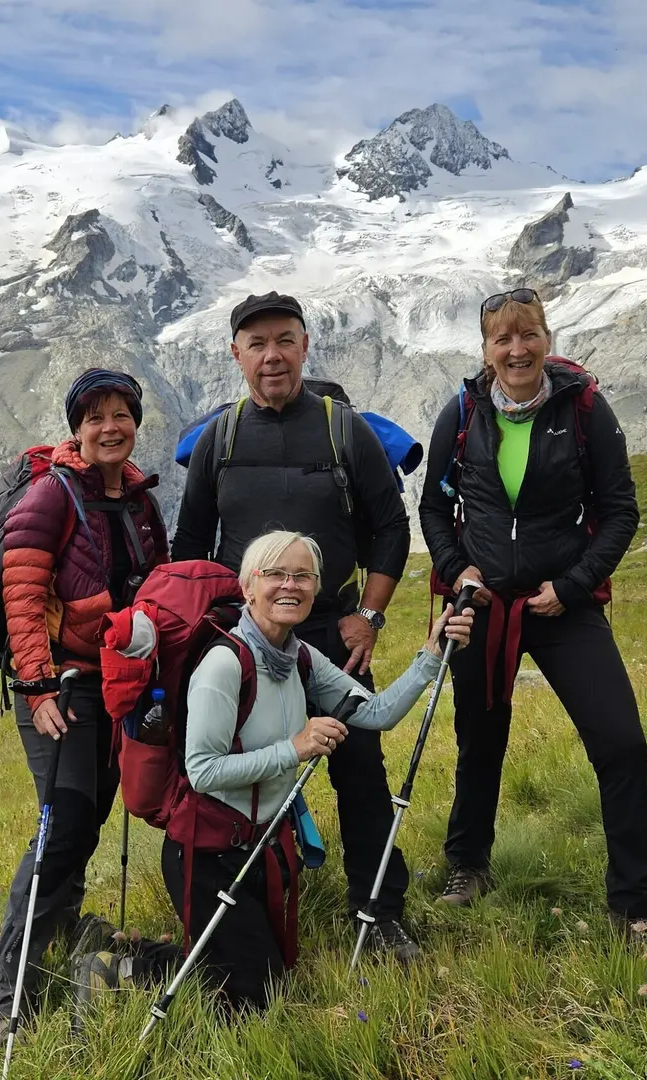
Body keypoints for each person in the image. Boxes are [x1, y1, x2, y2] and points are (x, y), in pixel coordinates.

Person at [418, 288, 647, 960]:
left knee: (620, 742)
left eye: (527, 334)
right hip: (484, 607)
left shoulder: (584, 408)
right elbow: (432, 509)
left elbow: (620, 509)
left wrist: (574, 584)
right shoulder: (463, 412)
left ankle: (637, 908)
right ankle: (469, 867)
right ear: (485, 349)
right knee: (479, 742)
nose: (517, 349)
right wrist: (458, 570)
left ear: (546, 337)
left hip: (564, 604)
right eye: (501, 338)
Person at [171, 291, 423, 960]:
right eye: (257, 344)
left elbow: (392, 527)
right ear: (236, 355)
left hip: (330, 631)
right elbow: (191, 541)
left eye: (284, 340)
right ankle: (244, 899)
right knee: (235, 770)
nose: (272, 355)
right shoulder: (220, 438)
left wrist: (368, 615)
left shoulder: (343, 428)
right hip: (239, 641)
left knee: (359, 768)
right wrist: (194, 640)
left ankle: (378, 912)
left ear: (305, 346)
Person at [171, 531, 471, 1011]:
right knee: (255, 997)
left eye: (303, 576)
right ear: (248, 587)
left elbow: (374, 714)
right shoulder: (224, 663)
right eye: (275, 574)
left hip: (261, 850)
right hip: (208, 854)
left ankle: (200, 954)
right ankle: (123, 962)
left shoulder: (299, 656)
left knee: (264, 981)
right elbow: (203, 771)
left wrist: (430, 656)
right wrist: (296, 747)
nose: (290, 585)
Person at [0, 369, 168, 1043]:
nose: (109, 427)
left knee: (83, 829)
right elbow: (21, 595)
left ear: (134, 422)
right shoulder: (49, 496)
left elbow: (159, 592)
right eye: (95, 418)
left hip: (119, 683)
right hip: (62, 686)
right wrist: (34, 684)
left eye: (121, 414)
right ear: (76, 429)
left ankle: (54, 941)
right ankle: (5, 994)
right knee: (62, 830)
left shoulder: (141, 502)